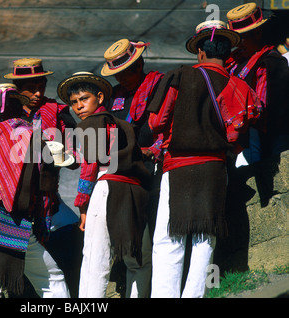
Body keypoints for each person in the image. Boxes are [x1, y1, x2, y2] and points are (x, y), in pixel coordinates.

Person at [147, 20, 262, 298]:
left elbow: (155, 122)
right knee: (204, 237)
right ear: (227, 52)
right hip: (215, 169)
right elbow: (239, 131)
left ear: (199, 52)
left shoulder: (178, 77)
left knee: (168, 238)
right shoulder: (240, 87)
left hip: (178, 167)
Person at [0, 83, 71, 298]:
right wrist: (42, 227)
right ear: (20, 110)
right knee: (51, 279)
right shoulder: (34, 139)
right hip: (13, 224)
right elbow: (42, 192)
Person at [57, 72, 151, 298]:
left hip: (107, 188)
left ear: (100, 97)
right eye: (74, 102)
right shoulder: (122, 124)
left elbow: (90, 168)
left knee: (94, 259)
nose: (79, 106)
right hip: (134, 191)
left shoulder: (91, 123)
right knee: (139, 259)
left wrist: (82, 207)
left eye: (84, 99)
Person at [5, 58, 82, 297]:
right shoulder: (2, 114)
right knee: (17, 272)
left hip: (49, 201)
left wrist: (63, 154)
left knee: (73, 248)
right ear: (17, 87)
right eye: (31, 87)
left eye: (41, 85)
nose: (38, 93)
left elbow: (76, 157)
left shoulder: (57, 112)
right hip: (13, 205)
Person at [100, 38, 164, 297]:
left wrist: (155, 150)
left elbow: (166, 123)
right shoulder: (115, 96)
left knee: (154, 238)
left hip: (153, 170)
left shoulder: (159, 86)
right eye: (118, 73)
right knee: (129, 242)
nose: (123, 77)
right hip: (122, 174)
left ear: (139, 64)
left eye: (127, 71)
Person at [225, 2, 289, 165]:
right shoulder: (235, 61)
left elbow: (266, 106)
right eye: (236, 39)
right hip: (239, 133)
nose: (238, 44)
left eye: (242, 38)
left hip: (261, 136)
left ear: (258, 33)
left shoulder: (270, 62)